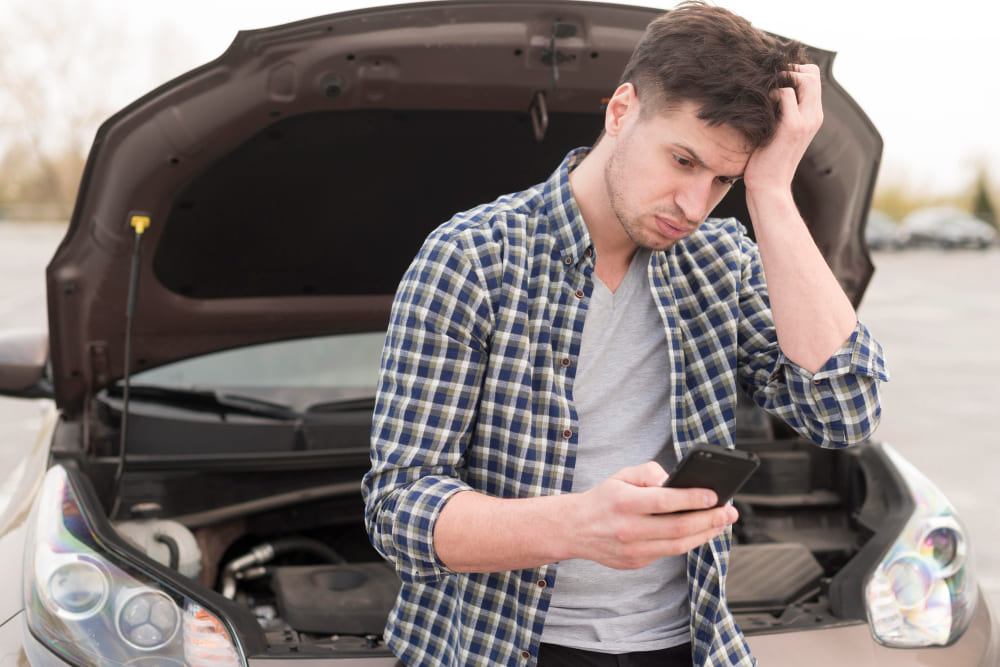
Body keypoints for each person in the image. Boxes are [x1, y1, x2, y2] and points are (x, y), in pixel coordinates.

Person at [362, 2, 888, 665]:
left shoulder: (720, 261)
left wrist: (771, 193)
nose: (695, 205)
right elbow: (400, 508)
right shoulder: (473, 257)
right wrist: (578, 526)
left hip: (685, 645)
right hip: (500, 645)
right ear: (620, 111)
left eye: (723, 179)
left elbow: (845, 411)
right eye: (682, 159)